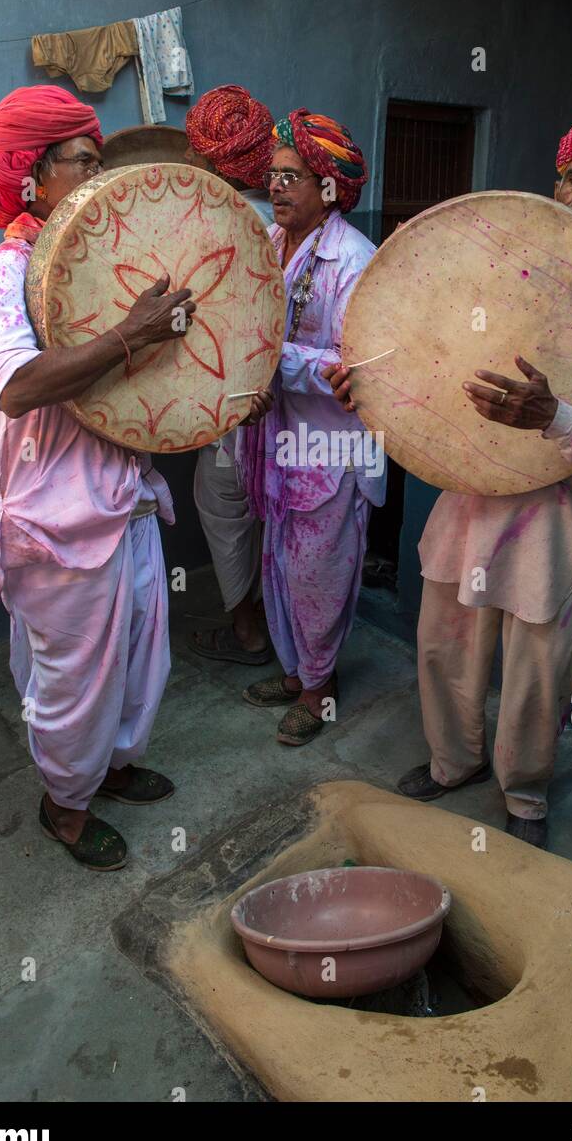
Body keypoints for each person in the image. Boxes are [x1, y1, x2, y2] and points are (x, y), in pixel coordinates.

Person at [327, 108, 572, 848]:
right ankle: (452, 760)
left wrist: (557, 419)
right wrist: (369, 388)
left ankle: (523, 794)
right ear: (555, 185)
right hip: (468, 497)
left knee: (538, 671)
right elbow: (425, 361)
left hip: (558, 519)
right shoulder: (489, 268)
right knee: (443, 641)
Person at [0, 85, 199, 870]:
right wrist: (131, 334)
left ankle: (114, 765)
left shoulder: (95, 265)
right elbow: (19, 384)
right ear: (32, 175)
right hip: (52, 516)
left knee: (140, 655)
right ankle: (65, 804)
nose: (99, 178)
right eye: (83, 163)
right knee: (74, 682)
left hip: (122, 498)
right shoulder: (4, 274)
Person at [239, 109, 386, 745]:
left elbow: (361, 369)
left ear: (328, 188)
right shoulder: (272, 244)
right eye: (273, 176)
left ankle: (321, 689)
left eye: (292, 177)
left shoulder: (355, 261)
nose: (276, 187)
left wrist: (267, 359)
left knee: (318, 569)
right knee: (279, 559)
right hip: (280, 439)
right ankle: (299, 671)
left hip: (331, 446)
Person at [183, 85, 275, 665]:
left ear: (209, 163)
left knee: (221, 500)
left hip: (234, 400)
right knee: (270, 511)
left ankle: (248, 631)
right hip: (286, 403)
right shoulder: (290, 222)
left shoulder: (218, 226)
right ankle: (277, 627)